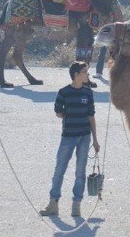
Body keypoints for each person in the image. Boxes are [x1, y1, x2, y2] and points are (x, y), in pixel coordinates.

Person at [40, 61, 100, 218]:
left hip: (85, 137)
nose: (88, 74)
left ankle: (76, 205)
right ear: (76, 75)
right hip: (68, 137)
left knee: (80, 172)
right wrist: (70, 117)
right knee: (59, 170)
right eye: (85, 72)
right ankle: (53, 203)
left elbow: (91, 116)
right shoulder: (63, 92)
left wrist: (95, 139)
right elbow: (58, 112)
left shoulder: (88, 93)